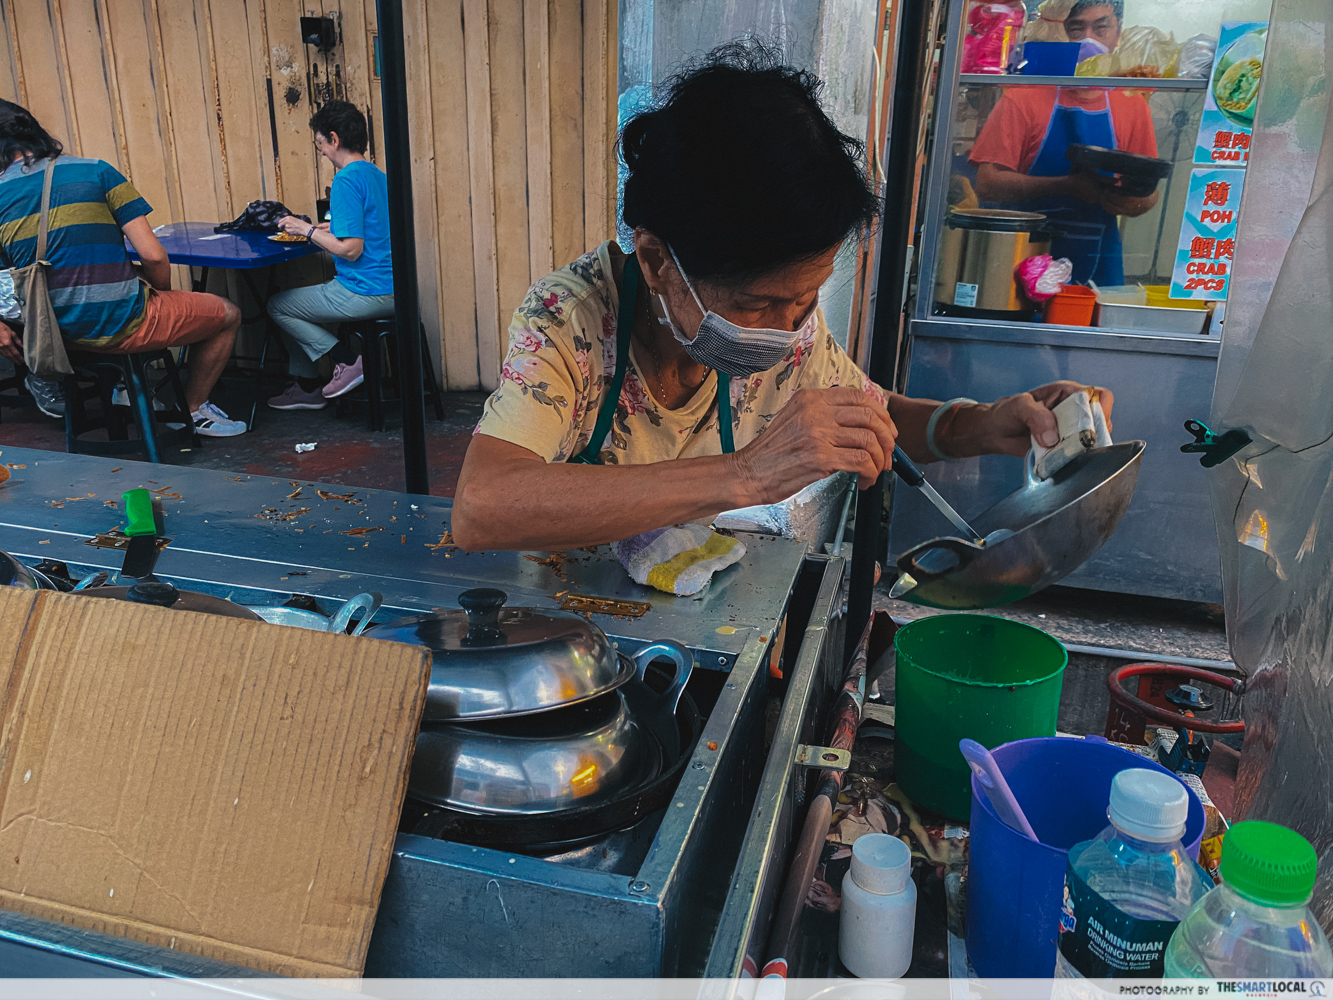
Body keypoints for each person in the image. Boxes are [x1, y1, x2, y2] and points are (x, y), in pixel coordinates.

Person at [450, 41, 1114, 552]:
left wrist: (982, 424)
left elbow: (873, 416)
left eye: (808, 297)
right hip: (565, 631)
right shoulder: (569, 318)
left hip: (690, 606)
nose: (789, 325)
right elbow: (484, 505)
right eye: (760, 304)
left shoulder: (790, 328)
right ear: (656, 260)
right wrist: (744, 475)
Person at [0, 100, 246, 435]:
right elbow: (155, 256)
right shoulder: (96, 171)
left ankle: (115, 387)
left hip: (49, 337)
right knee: (227, 314)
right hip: (121, 326)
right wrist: (161, 296)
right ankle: (191, 410)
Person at [969, 0, 1159, 285]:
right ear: (1059, 34)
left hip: (1098, 268)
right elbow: (987, 183)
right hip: (1017, 266)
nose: (1088, 40)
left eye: (1101, 28)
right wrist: (1065, 185)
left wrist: (1126, 200)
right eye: (1076, 29)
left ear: (1118, 34)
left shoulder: (1132, 101)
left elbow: (1148, 195)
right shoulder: (1023, 96)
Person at [265, 101, 393, 410]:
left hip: (365, 290)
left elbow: (351, 249)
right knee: (296, 302)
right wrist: (329, 226)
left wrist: (305, 230)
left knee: (278, 305)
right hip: (393, 287)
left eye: (320, 143)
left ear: (333, 139)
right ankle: (308, 385)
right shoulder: (377, 176)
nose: (321, 151)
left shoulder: (345, 179)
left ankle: (346, 362)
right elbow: (370, 225)